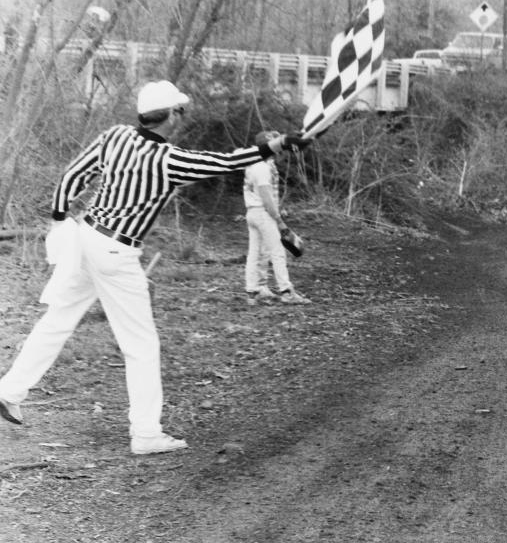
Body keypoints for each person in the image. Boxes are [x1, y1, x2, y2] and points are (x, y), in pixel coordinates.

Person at [0, 80, 311, 455]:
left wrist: (59, 220)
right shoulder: (169, 160)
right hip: (116, 253)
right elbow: (227, 161)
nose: (183, 115)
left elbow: (71, 178)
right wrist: (276, 145)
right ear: (172, 115)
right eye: (180, 110)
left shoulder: (114, 136)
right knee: (142, 345)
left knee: (57, 320)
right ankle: (146, 433)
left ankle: (9, 391)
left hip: (86, 240)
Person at [243, 130, 310, 305]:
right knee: (278, 251)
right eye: (274, 144)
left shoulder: (253, 163)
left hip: (252, 212)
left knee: (255, 253)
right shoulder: (262, 167)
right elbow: (266, 197)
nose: (278, 149)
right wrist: (278, 219)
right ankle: (286, 291)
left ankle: (254, 291)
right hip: (263, 213)